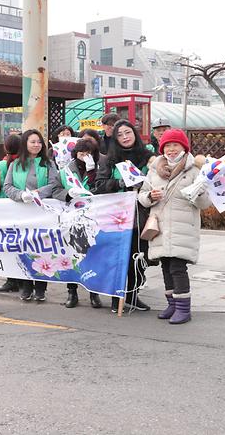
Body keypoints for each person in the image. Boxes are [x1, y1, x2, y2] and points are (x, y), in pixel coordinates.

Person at [138, 129, 210, 324]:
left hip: (182, 227)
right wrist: (149, 197)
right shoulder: (154, 169)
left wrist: (199, 193)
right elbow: (142, 195)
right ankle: (172, 304)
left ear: (184, 147)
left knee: (178, 268)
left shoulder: (195, 170)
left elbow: (205, 204)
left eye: (175, 145)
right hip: (160, 227)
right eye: (167, 146)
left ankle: (183, 309)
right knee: (166, 266)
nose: (171, 150)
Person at [92, 119, 155, 312]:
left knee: (138, 258)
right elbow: (98, 186)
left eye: (128, 133)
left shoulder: (149, 157)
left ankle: (132, 295)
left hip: (141, 216)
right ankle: (115, 296)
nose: (125, 137)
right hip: (115, 218)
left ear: (135, 134)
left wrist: (143, 185)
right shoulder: (110, 160)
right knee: (116, 258)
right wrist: (120, 184)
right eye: (119, 135)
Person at [4, 129, 64, 302]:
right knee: (23, 249)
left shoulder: (49, 163)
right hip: (22, 214)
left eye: (39, 142)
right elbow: (7, 186)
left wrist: (39, 193)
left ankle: (40, 288)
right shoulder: (15, 165)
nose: (36, 145)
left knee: (41, 251)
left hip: (42, 214)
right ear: (25, 144)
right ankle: (25, 286)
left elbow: (55, 184)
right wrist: (21, 194)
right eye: (32, 142)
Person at [58, 138, 103, 309]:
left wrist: (92, 174)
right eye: (81, 153)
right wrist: (68, 194)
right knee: (72, 255)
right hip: (71, 219)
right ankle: (72, 292)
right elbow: (56, 189)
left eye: (88, 154)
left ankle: (94, 292)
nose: (84, 157)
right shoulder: (65, 171)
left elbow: (102, 188)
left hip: (92, 219)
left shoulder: (99, 168)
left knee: (93, 255)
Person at [0, 133, 22, 293]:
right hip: (22, 209)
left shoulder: (1, 166)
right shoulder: (25, 163)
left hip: (2, 210)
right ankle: (23, 280)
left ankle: (11, 280)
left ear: (5, 147)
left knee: (7, 246)